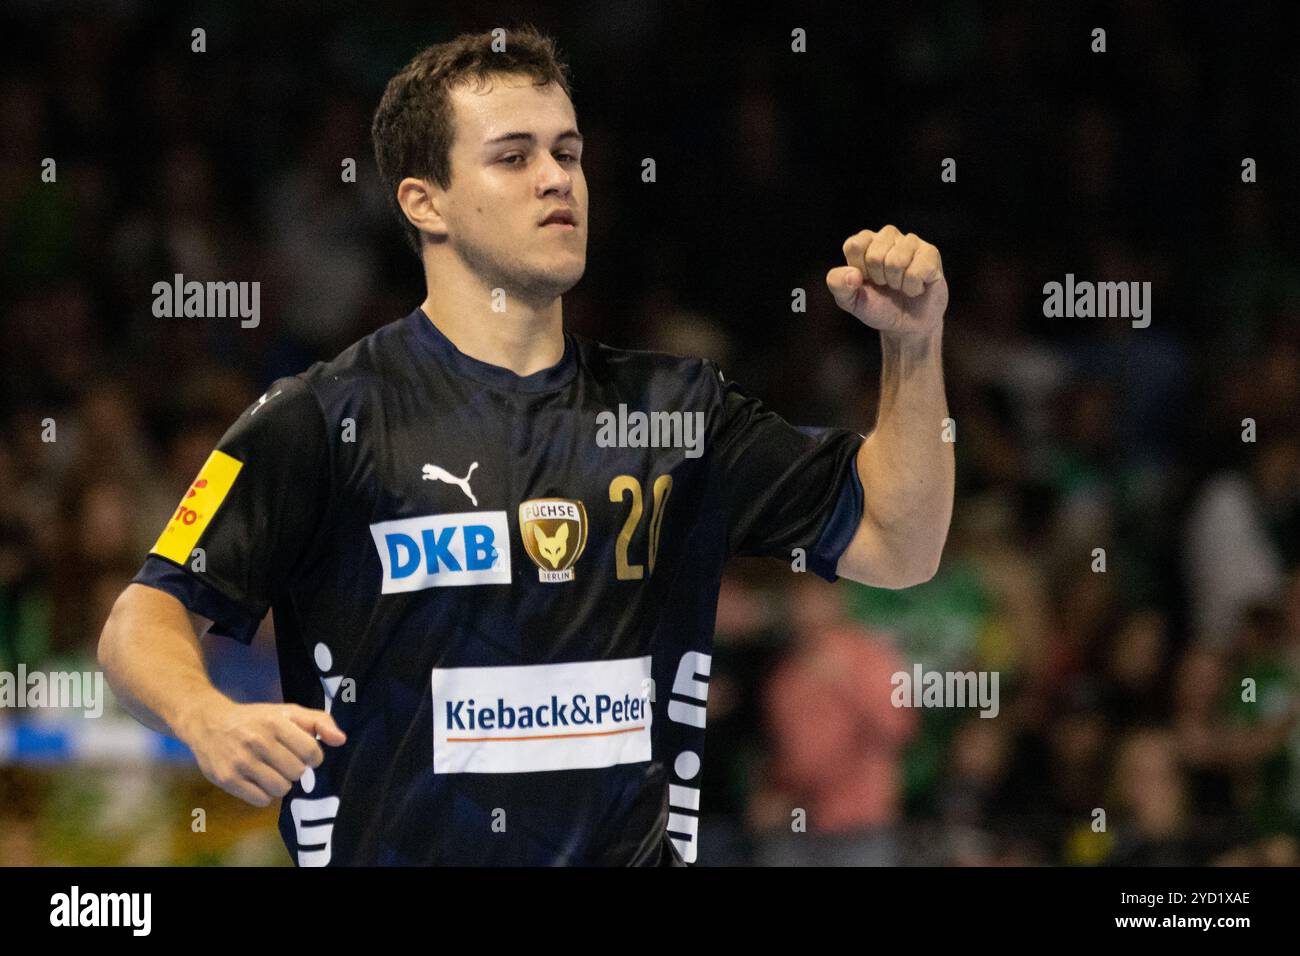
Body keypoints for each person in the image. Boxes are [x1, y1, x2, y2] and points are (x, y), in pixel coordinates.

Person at [97, 25, 953, 866]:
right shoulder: (322, 417)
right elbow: (141, 619)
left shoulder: (677, 410)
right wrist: (206, 716)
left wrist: (913, 345)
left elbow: (896, 543)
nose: (558, 180)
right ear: (423, 201)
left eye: (569, 153)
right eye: (514, 157)